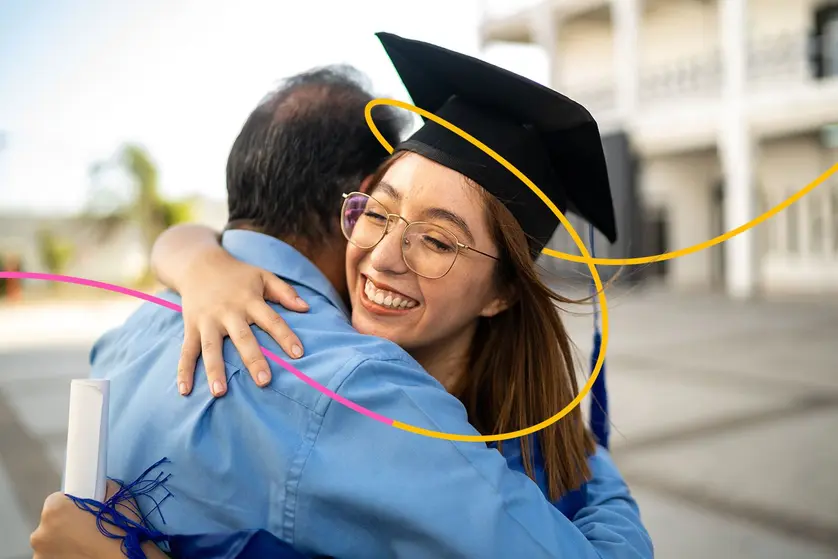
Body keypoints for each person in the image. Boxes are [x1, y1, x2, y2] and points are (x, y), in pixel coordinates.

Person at [32, 34, 652, 559]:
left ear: (503, 292)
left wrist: (191, 257)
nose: (383, 257)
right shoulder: (353, 389)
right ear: (346, 209)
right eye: (377, 214)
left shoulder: (138, 328)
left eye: (437, 241)